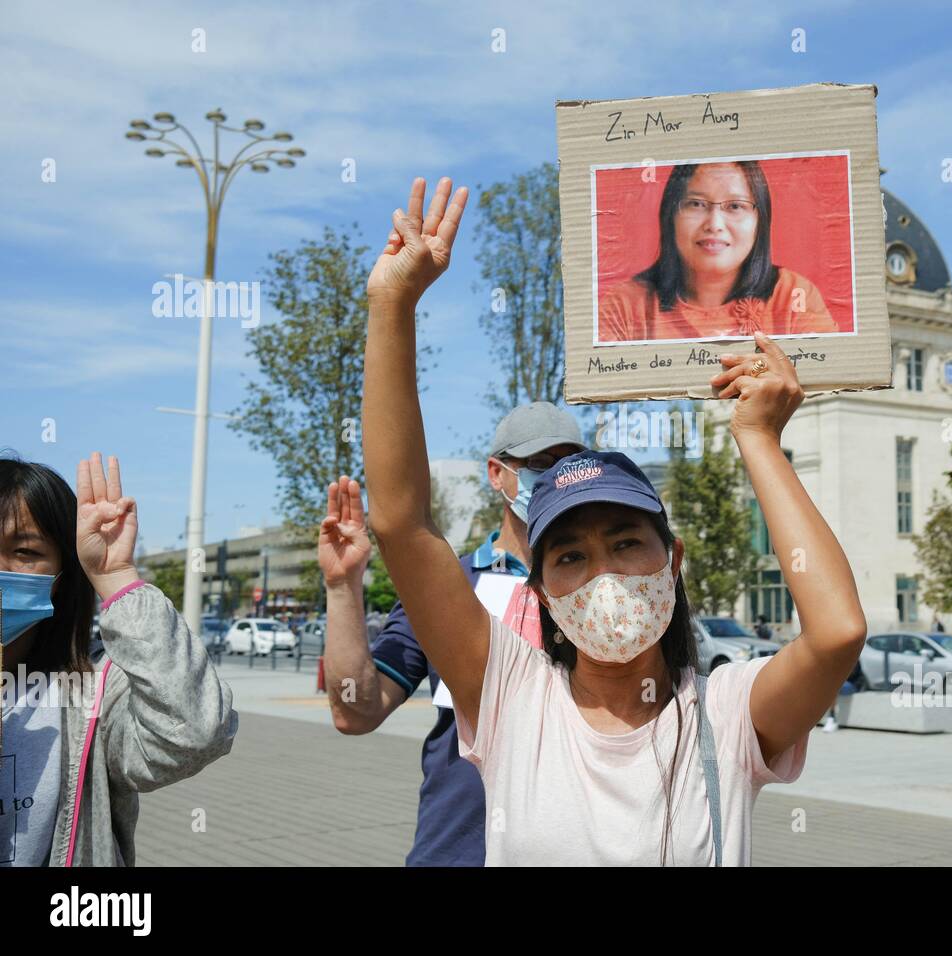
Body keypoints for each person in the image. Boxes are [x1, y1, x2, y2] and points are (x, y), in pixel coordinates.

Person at [364, 176, 867, 865]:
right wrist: (393, 304)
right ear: (537, 591)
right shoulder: (510, 696)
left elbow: (838, 631)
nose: (603, 573)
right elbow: (401, 524)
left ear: (674, 560)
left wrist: (759, 440)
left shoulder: (725, 714)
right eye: (569, 556)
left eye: (626, 543)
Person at [321, 402, 585, 866]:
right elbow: (356, 712)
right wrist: (343, 587)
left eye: (567, 466)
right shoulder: (448, 586)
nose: (552, 478)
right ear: (496, 474)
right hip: (458, 852)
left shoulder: (604, 588)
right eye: (539, 465)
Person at [0, 452, 236, 866]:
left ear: (62, 572)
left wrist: (116, 576)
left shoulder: (90, 689)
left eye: (24, 550)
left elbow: (194, 734)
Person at [598, 161, 839, 343]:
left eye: (735, 206)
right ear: (670, 215)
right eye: (696, 204)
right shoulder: (626, 306)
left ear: (760, 220)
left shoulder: (792, 295)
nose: (714, 224)